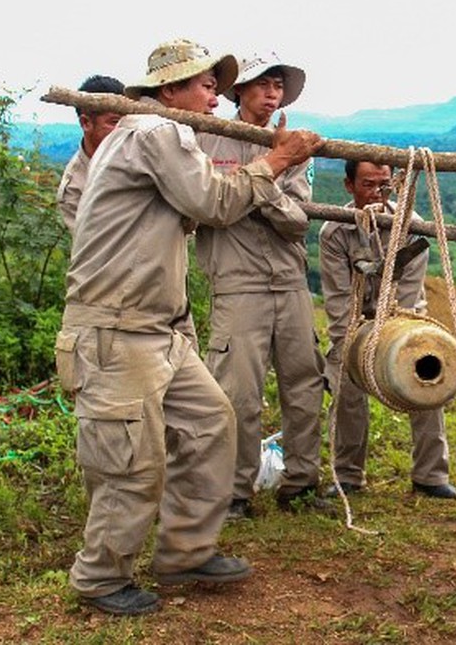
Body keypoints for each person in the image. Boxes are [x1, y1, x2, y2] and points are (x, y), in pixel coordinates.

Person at [54, 39, 323, 616]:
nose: (214, 97)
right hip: (116, 329)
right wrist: (277, 160)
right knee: (131, 459)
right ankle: (101, 578)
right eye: (206, 85)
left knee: (209, 423)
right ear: (170, 89)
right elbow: (213, 202)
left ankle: (184, 550)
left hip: (158, 327)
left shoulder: (155, 133)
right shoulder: (155, 130)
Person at [196, 51, 329, 519]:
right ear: (239, 92)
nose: (271, 94)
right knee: (238, 393)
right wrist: (269, 178)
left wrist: (252, 186)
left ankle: (302, 483)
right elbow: (211, 207)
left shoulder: (295, 145)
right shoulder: (208, 140)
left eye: (278, 86)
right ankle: (234, 492)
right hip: (237, 282)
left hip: (289, 280)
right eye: (262, 85)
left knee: (304, 384)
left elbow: (297, 222)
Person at [319, 160, 456, 500]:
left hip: (403, 320)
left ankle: (430, 474)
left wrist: (388, 342)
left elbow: (406, 298)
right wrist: (354, 346)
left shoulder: (413, 227)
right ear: (349, 185)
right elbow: (338, 303)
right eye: (368, 184)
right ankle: (348, 473)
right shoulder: (334, 232)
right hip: (355, 323)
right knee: (346, 384)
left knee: (424, 377)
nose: (377, 193)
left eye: (385, 185)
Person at [55, 74, 124, 235]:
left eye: (126, 121)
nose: (123, 129)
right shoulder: (75, 187)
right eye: (114, 122)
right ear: (86, 123)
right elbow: (96, 244)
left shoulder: (142, 154)